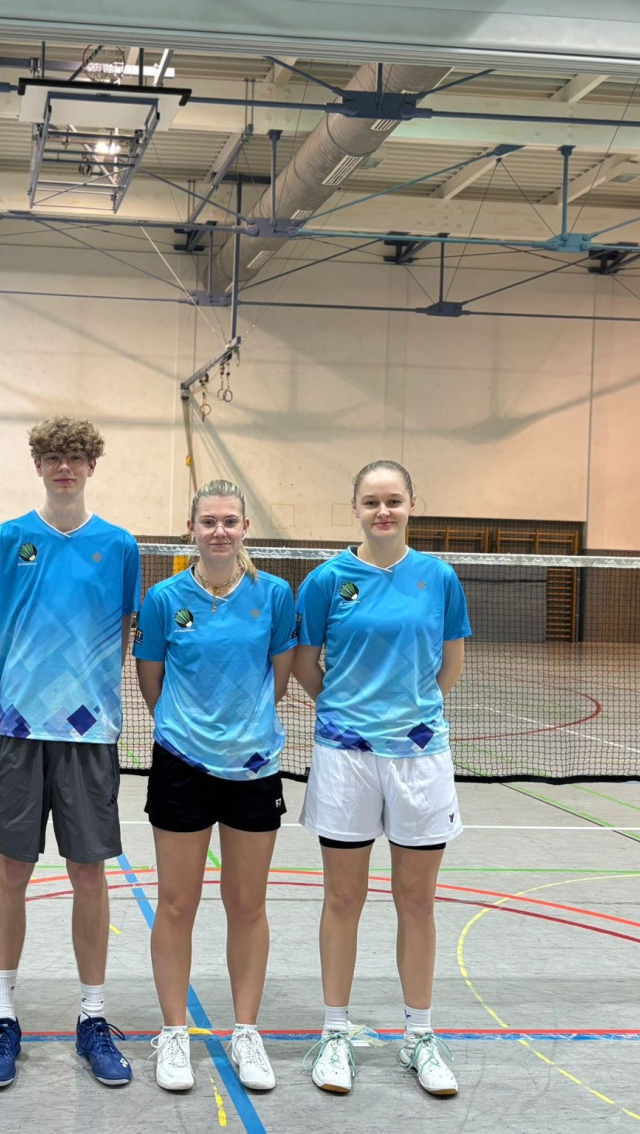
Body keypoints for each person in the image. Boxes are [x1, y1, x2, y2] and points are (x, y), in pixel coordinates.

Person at [292, 459, 470, 1097]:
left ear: (412, 505)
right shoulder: (326, 581)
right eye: (371, 502)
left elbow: (448, 664)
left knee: (417, 901)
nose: (383, 512)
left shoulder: (439, 578)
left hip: (420, 759)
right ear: (356, 509)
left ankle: (419, 1036)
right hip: (345, 759)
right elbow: (307, 668)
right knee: (343, 899)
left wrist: (408, 721)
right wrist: (350, 716)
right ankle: (334, 1032)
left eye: (393, 501)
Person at [0, 417, 142, 1090]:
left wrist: (87, 700)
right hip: (19, 733)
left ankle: (93, 1017)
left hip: (90, 738)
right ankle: (3, 1015)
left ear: (91, 465)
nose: (63, 466)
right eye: (52, 455)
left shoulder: (120, 546)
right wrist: (28, 694)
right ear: (38, 463)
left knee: (89, 877)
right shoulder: (7, 540)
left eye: (75, 457)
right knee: (11, 871)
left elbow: (124, 636)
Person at [134, 480, 296, 1093]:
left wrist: (240, 733)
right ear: (192, 528)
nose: (219, 531)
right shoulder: (163, 598)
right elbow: (152, 679)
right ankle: (173, 1033)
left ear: (245, 527)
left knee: (247, 905)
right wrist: (191, 733)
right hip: (181, 764)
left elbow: (277, 679)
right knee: (176, 904)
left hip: (253, 769)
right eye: (209, 521)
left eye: (230, 521)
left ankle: (246, 1031)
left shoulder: (274, 595)